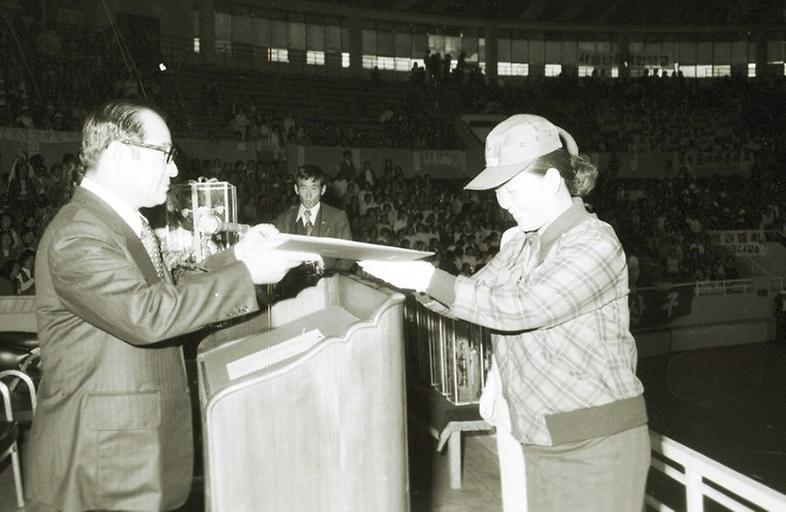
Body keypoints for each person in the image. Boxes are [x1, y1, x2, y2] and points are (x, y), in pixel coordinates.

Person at [24, 101, 313, 512]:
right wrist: (247, 274)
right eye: (166, 154)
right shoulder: (79, 234)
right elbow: (146, 314)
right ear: (122, 154)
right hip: (101, 460)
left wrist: (235, 258)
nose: (175, 170)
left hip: (127, 448)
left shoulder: (117, 224)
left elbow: (166, 289)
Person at [361, 114, 649, 512]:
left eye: (511, 189)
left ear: (551, 181)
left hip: (596, 443)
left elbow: (522, 308)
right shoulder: (521, 245)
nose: (501, 202)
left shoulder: (595, 243)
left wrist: (428, 279)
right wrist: (409, 280)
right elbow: (473, 296)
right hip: (541, 436)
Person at [274, 164, 353, 272]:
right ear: (296, 189)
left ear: (323, 190)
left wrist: (329, 278)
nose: (308, 195)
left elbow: (348, 257)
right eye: (303, 188)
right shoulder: (284, 219)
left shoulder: (337, 217)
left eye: (314, 188)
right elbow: (276, 255)